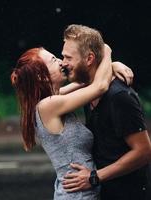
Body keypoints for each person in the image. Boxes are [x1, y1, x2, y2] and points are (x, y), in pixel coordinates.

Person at [10, 43, 133, 199]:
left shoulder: (55, 97)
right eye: (54, 60)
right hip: (78, 196)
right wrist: (105, 51)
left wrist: (113, 66)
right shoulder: (48, 105)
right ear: (41, 76)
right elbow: (99, 86)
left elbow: (87, 81)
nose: (62, 62)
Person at [61, 24, 151, 200]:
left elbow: (144, 152)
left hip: (129, 194)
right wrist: (111, 62)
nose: (63, 63)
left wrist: (95, 176)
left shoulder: (119, 96)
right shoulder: (90, 89)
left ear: (89, 59)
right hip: (106, 192)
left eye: (68, 57)